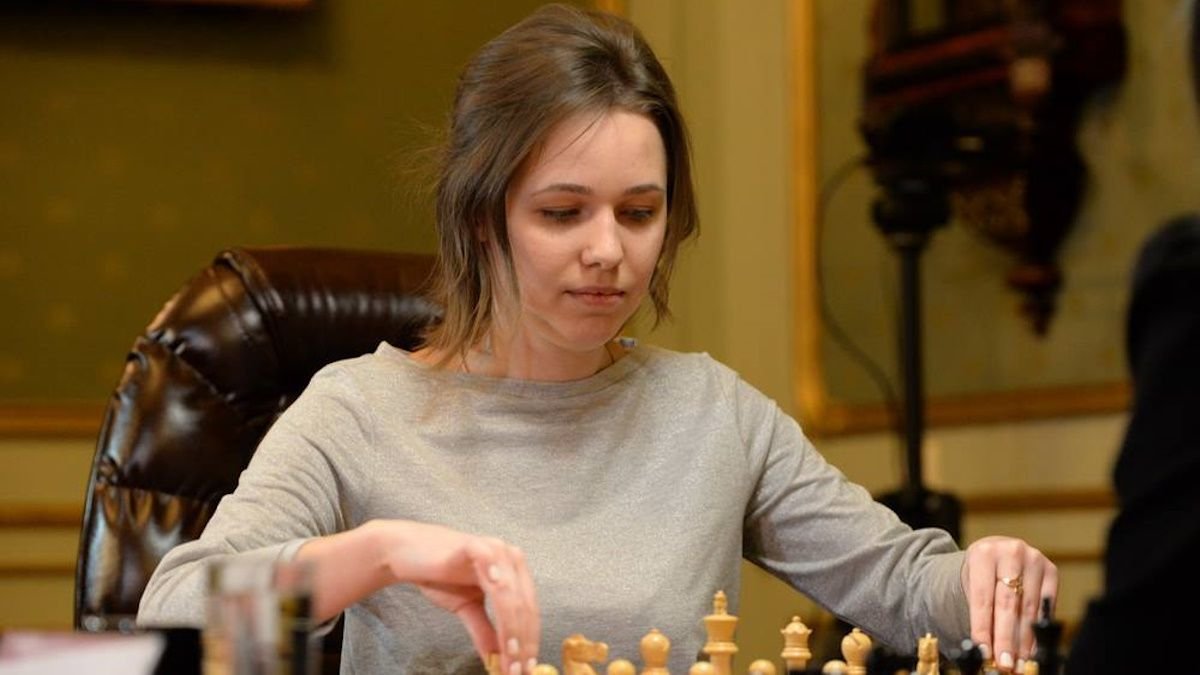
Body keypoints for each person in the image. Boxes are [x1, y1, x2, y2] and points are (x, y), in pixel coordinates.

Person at [136, 5, 1057, 674]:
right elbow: (178, 621)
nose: (609, 250)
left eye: (639, 212)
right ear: (483, 219)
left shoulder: (713, 414)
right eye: (563, 211)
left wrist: (989, 576)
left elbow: (903, 584)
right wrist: (377, 555)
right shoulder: (358, 414)